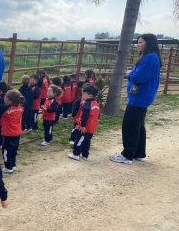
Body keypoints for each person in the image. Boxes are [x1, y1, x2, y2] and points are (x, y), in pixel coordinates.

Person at [110, 34, 162, 165]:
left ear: (148, 43)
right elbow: (139, 72)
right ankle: (140, 153)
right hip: (140, 97)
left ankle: (127, 155)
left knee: (130, 126)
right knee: (138, 125)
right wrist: (133, 72)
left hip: (139, 97)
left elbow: (139, 77)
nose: (138, 45)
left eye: (140, 42)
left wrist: (129, 74)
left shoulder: (150, 58)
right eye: (138, 42)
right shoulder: (149, 57)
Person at [0, 90, 24, 174]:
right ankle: (13, 165)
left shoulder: (5, 108)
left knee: (6, 150)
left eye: (5, 97)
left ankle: (8, 167)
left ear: (9, 100)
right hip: (17, 132)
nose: (3, 98)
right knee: (14, 149)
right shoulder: (21, 106)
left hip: (8, 133)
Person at [68, 85, 100, 161]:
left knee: (79, 140)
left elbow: (85, 116)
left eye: (83, 94)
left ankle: (75, 154)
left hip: (85, 127)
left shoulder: (87, 104)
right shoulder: (95, 103)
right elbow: (98, 115)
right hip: (92, 127)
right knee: (87, 141)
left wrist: (82, 126)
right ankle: (84, 154)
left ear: (90, 95)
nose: (82, 96)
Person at [69, 81, 85, 146]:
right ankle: (72, 140)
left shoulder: (81, 100)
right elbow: (75, 109)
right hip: (78, 119)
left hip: (83, 120)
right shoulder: (79, 100)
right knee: (76, 129)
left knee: (79, 130)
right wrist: (73, 115)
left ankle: (76, 141)